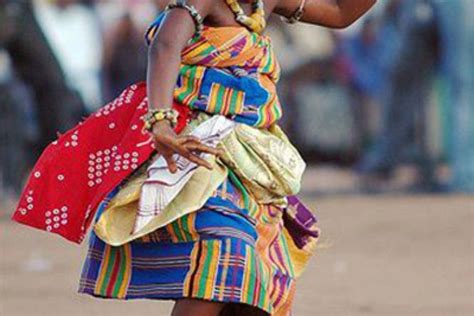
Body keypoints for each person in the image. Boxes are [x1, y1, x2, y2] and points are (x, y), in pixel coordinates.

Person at [12, 1, 375, 315]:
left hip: (250, 160)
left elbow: (341, 12)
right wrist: (161, 122)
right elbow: (166, 45)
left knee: (253, 291)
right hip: (196, 150)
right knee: (226, 252)